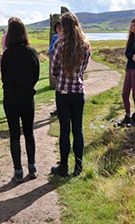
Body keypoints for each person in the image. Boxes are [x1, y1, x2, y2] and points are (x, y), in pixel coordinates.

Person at [50, 12, 90, 177]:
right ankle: (78, 166)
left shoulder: (60, 45)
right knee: (78, 129)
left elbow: (54, 70)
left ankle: (64, 166)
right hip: (78, 91)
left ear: (64, 27)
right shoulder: (85, 45)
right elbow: (85, 67)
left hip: (64, 92)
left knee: (64, 130)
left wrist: (62, 75)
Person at [1, 17, 40, 183]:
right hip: (26, 96)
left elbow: (4, 77)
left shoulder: (7, 54)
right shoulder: (31, 52)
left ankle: (18, 170)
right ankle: (32, 166)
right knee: (29, 132)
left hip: (10, 97)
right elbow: (36, 74)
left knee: (14, 134)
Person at [48, 21, 62, 116]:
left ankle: (62, 108)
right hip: (56, 65)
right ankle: (58, 108)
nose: (59, 30)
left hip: (64, 66)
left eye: (60, 27)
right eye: (57, 28)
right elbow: (50, 50)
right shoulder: (55, 37)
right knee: (58, 89)